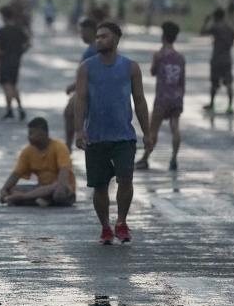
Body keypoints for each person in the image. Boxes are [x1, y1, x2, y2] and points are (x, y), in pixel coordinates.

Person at [73, 22, 151, 245]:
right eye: (97, 37)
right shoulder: (86, 68)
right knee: (99, 186)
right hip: (95, 136)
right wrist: (79, 130)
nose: (98, 40)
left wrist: (147, 132)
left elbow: (140, 100)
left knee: (126, 179)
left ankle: (122, 222)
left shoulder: (130, 67)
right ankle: (106, 226)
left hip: (124, 136)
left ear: (116, 40)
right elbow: (80, 100)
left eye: (104, 37)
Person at [136, 22, 185, 171]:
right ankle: (174, 159)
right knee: (175, 128)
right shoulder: (180, 57)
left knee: (153, 130)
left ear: (163, 37)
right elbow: (182, 79)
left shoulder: (159, 55)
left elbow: (153, 71)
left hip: (162, 98)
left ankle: (145, 159)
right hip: (176, 97)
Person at [0, 117, 75, 207]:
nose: (29, 137)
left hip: (61, 187)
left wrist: (60, 187)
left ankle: (26, 198)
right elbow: (16, 174)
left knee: (58, 194)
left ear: (43, 133)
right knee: (12, 190)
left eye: (31, 133)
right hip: (40, 188)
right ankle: (43, 200)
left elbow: (64, 171)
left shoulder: (59, 147)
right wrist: (4, 190)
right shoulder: (28, 151)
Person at [64, 18, 98, 149]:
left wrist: (73, 86)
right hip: (88, 89)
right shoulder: (93, 48)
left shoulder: (92, 50)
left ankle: (68, 146)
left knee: (69, 113)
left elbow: (89, 73)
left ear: (91, 31)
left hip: (87, 91)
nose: (81, 35)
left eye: (83, 32)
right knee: (71, 114)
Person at [0, 6, 30, 120]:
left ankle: (9, 109)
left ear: (3, 17)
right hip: (16, 61)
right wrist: (20, 52)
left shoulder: (1, 31)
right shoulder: (19, 30)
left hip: (5, 60)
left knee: (7, 86)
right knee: (14, 85)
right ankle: (20, 108)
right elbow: (28, 43)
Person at [200, 8, 234, 114]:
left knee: (214, 83)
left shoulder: (216, 27)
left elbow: (202, 32)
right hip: (227, 59)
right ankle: (230, 105)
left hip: (216, 59)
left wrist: (206, 21)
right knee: (229, 83)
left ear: (215, 17)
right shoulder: (229, 28)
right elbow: (232, 40)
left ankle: (212, 103)